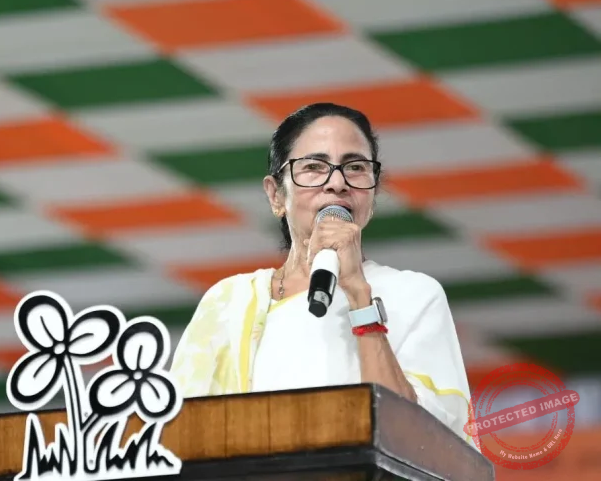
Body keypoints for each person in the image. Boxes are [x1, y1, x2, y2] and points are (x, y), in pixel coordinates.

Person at [169, 102, 475, 446]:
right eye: (314, 167)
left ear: (373, 193)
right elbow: (180, 437)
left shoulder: (413, 294)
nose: (337, 183)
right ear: (275, 195)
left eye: (355, 167)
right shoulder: (227, 302)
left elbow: (417, 442)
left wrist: (359, 296)